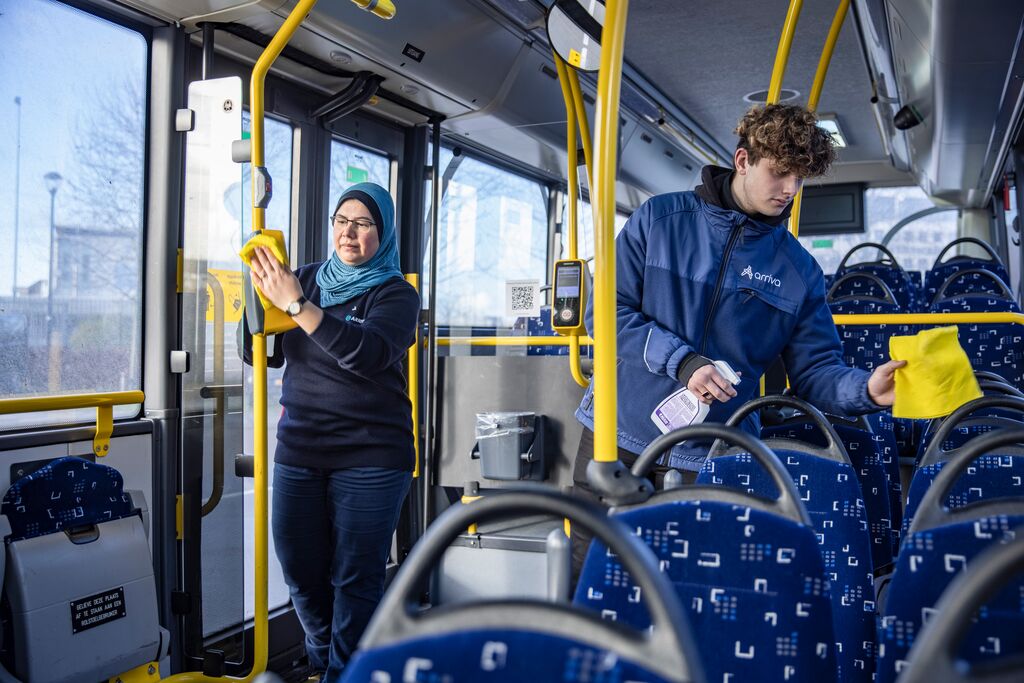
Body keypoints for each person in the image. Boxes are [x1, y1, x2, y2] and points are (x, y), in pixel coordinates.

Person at [570, 104, 904, 576]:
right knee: (590, 580)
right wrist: (683, 363)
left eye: (800, 178)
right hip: (617, 430)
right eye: (780, 173)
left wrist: (865, 390)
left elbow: (814, 371)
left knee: (689, 596)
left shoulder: (798, 271)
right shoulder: (659, 220)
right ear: (743, 160)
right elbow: (604, 314)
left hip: (714, 451)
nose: (790, 190)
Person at [245, 182, 419, 680]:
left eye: (363, 223)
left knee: (354, 579)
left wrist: (297, 306)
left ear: (380, 234)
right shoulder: (304, 279)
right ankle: (328, 664)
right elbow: (260, 350)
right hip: (300, 447)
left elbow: (365, 354)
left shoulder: (396, 293)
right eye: (342, 220)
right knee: (299, 572)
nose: (349, 232)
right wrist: (255, 299)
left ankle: (348, 673)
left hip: (372, 455)